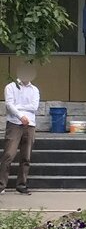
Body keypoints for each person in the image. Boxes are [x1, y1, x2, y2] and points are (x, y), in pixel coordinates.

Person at [0, 64, 40, 196]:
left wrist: (19, 106)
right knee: (8, 155)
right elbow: (9, 105)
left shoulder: (34, 89)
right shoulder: (11, 87)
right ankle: (1, 185)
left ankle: (22, 185)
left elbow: (34, 107)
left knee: (26, 157)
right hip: (14, 124)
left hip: (30, 125)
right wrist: (20, 115)